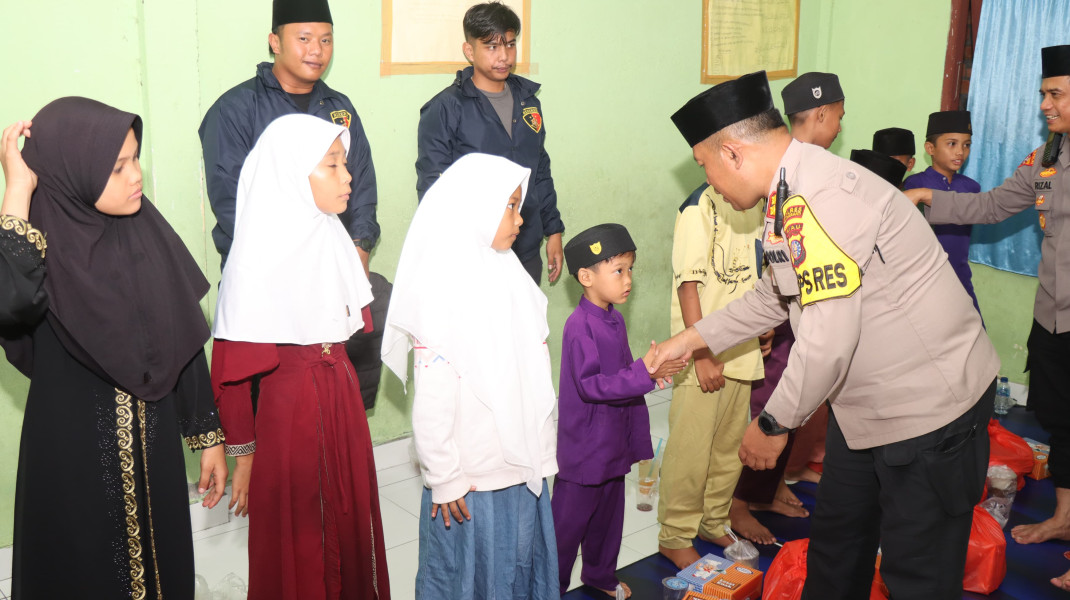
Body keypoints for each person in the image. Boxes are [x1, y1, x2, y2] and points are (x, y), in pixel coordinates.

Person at [653, 71, 1000, 599]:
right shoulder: (787, 191)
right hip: (864, 412)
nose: (710, 182)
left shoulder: (821, 196)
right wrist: (692, 340)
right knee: (836, 552)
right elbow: (776, 296)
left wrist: (772, 422)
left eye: (705, 167)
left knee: (917, 576)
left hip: (929, 409)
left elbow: (828, 337)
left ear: (732, 153)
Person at [0, 97, 227, 599]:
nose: (135, 175)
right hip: (70, 456)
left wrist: (206, 432)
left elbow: (182, 337)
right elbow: (9, 304)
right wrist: (17, 189)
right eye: (117, 166)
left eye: (134, 158)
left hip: (157, 449)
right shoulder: (36, 244)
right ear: (72, 171)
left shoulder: (146, 231)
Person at [903, 44, 1070, 592]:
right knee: (1059, 419)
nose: (1045, 104)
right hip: (1052, 316)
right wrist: (929, 196)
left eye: (1055, 94)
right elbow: (993, 205)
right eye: (1044, 94)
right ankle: (1063, 518)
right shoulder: (1047, 159)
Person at [210, 114, 388, 600]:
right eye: (331, 166)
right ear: (291, 174)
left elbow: (352, 330)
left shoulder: (331, 237)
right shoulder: (256, 257)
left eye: (344, 165)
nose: (347, 177)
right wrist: (243, 455)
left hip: (341, 398)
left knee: (348, 523)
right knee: (301, 537)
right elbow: (231, 373)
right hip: (290, 412)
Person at [383, 153, 559, 599]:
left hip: (517, 467)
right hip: (471, 480)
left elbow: (531, 370)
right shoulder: (444, 292)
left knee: (519, 563)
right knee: (471, 575)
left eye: (520, 206)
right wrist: (445, 478)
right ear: (476, 207)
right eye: (510, 206)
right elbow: (433, 402)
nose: (520, 219)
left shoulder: (510, 275)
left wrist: (540, 451)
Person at [199, 0, 378, 272]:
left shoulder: (339, 109)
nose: (316, 50)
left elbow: (362, 186)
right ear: (276, 42)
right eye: (304, 38)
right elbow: (231, 204)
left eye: (326, 40)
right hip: (263, 274)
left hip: (335, 270)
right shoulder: (235, 110)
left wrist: (360, 247)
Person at [554, 223, 684, 596]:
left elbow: (627, 375)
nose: (628, 279)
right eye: (618, 271)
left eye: (630, 269)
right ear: (586, 276)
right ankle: (548, 584)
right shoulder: (579, 327)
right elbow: (592, 385)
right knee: (567, 526)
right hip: (585, 449)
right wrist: (644, 370)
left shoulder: (613, 319)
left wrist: (654, 374)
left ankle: (599, 574)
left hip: (611, 443)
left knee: (608, 520)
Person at [657, 181, 767, 566]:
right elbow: (689, 286)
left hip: (741, 348)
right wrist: (700, 354)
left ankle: (713, 520)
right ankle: (674, 534)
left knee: (729, 448)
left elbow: (759, 271)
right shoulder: (698, 207)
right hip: (703, 352)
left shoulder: (756, 202)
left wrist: (763, 329)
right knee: (691, 449)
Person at [415, 1, 564, 284]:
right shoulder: (445, 108)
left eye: (510, 44)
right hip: (473, 254)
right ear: (469, 50)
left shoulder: (528, 102)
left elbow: (540, 170)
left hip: (526, 248)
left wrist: (553, 231)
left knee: (524, 327)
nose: (504, 56)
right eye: (492, 47)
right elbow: (433, 186)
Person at [902, 111, 982, 315]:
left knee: (972, 332)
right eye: (952, 144)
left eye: (967, 145)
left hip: (961, 277)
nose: (960, 152)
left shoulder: (971, 188)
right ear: (930, 148)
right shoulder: (914, 185)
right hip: (925, 279)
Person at [781, 72, 846, 150]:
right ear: (822, 114)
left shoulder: (771, 158)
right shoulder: (834, 162)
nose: (840, 129)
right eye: (839, 118)